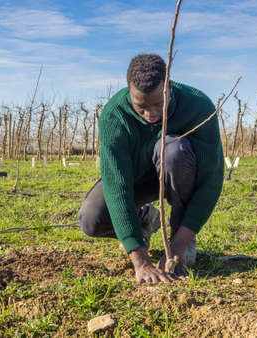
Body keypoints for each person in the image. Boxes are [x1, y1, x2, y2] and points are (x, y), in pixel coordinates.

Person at [78, 54, 224, 284]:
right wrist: (140, 259)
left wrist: (177, 246)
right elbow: (117, 186)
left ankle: (179, 234)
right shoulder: (114, 116)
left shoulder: (198, 107)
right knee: (91, 220)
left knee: (173, 150)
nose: (151, 113)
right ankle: (145, 219)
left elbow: (211, 181)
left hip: (177, 173)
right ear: (128, 91)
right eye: (141, 106)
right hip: (136, 180)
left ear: (169, 87)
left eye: (158, 103)